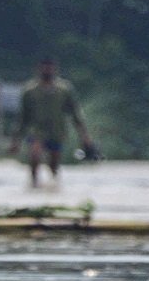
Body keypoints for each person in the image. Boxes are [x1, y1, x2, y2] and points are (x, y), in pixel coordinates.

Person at [9, 56, 96, 187]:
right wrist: (16, 140)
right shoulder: (30, 91)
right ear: (38, 69)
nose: (47, 71)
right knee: (35, 155)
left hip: (57, 131)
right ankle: (34, 184)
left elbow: (75, 114)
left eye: (50, 68)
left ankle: (54, 185)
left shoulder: (64, 89)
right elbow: (23, 117)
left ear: (55, 70)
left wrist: (85, 137)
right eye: (44, 68)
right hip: (36, 130)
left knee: (54, 162)